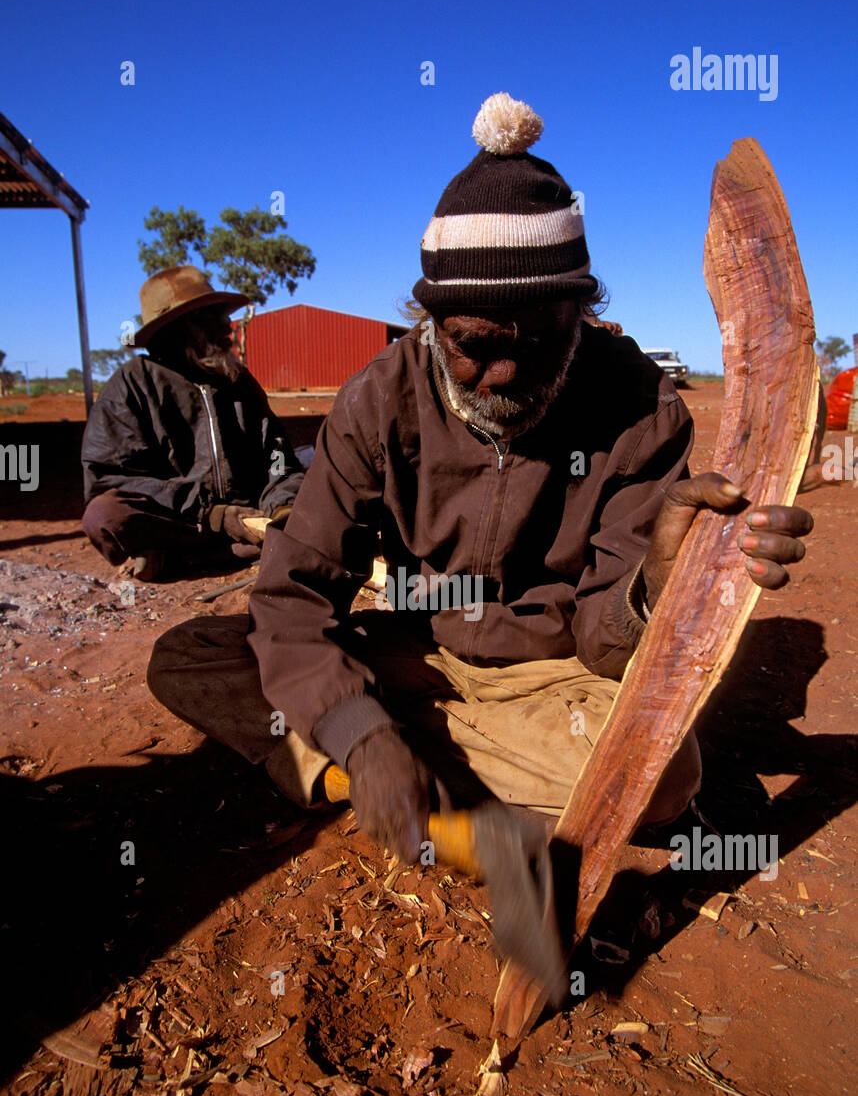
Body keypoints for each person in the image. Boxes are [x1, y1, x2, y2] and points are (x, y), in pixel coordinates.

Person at [147, 93, 814, 863]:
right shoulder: (379, 399)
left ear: (580, 313)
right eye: (470, 344)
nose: (499, 375)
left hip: (551, 681)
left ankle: (376, 766)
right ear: (429, 319)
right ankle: (372, 771)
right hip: (411, 652)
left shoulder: (639, 408)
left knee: (665, 778)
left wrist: (659, 583)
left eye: (535, 343)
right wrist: (364, 740)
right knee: (190, 656)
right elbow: (295, 594)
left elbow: (606, 649)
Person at [81, 266, 305, 581]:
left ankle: (194, 558)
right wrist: (213, 514)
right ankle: (228, 551)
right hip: (184, 521)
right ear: (179, 327)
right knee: (105, 514)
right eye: (212, 317)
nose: (227, 324)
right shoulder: (133, 383)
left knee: (318, 466)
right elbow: (110, 477)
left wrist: (283, 507)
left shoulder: (237, 380)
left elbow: (277, 457)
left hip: (253, 514)